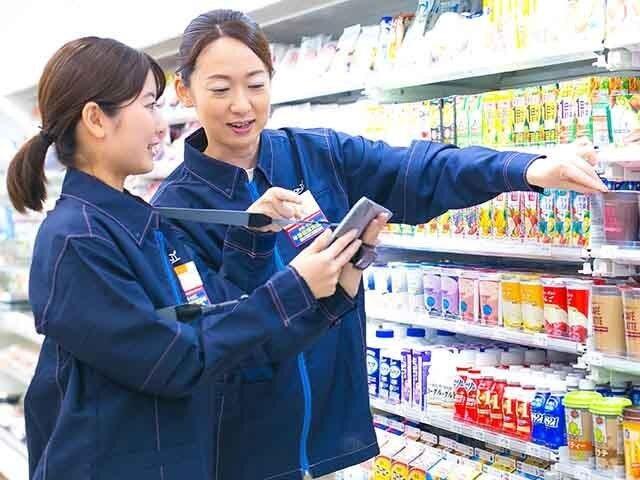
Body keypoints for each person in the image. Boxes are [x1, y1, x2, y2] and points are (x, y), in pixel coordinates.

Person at [152, 10, 607, 480]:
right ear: (185, 91)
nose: (242, 105)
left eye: (255, 84)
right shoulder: (174, 212)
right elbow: (214, 339)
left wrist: (526, 169)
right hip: (246, 456)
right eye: (220, 89)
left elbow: (421, 169)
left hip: (336, 441)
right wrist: (255, 247)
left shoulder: (317, 154)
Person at [8, 36, 385, 480]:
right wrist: (296, 287)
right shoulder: (77, 242)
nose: (161, 125)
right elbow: (177, 360)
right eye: (149, 105)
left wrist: (334, 289)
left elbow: (221, 330)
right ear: (96, 119)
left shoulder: (139, 225)